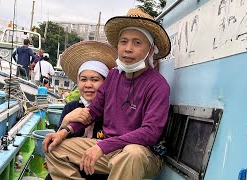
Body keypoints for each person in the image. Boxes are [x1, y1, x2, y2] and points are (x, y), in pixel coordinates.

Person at [43, 8, 171, 180]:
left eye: (137, 43)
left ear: (150, 50)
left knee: (132, 154)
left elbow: (150, 132)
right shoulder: (113, 76)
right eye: (123, 42)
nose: (128, 49)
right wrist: (64, 131)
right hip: (109, 149)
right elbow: (93, 112)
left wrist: (103, 147)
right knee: (54, 147)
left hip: (142, 153)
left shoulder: (158, 85)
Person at [43, 41, 117, 180]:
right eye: (83, 79)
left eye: (95, 80)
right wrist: (66, 120)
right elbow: (57, 143)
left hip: (98, 170)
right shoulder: (71, 107)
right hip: (70, 168)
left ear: (106, 84)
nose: (88, 85)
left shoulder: (111, 109)